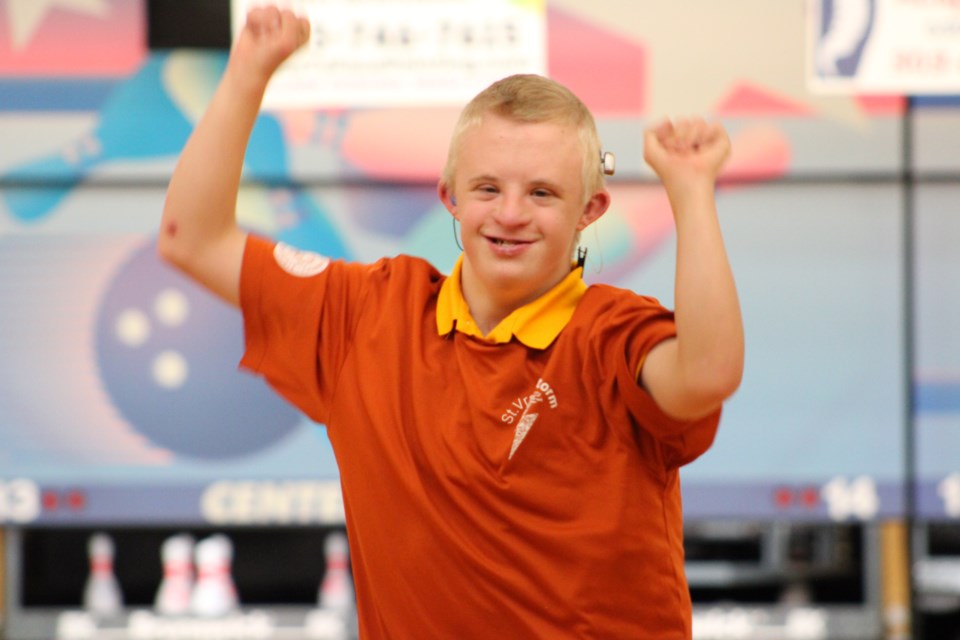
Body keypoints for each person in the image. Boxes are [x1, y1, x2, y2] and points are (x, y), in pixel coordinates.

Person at [158, 6, 744, 639]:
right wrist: (248, 71)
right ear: (450, 198)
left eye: (543, 193)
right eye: (488, 188)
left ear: (590, 210)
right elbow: (191, 238)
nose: (512, 213)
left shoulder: (612, 335)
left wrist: (689, 191)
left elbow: (708, 372)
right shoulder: (369, 315)